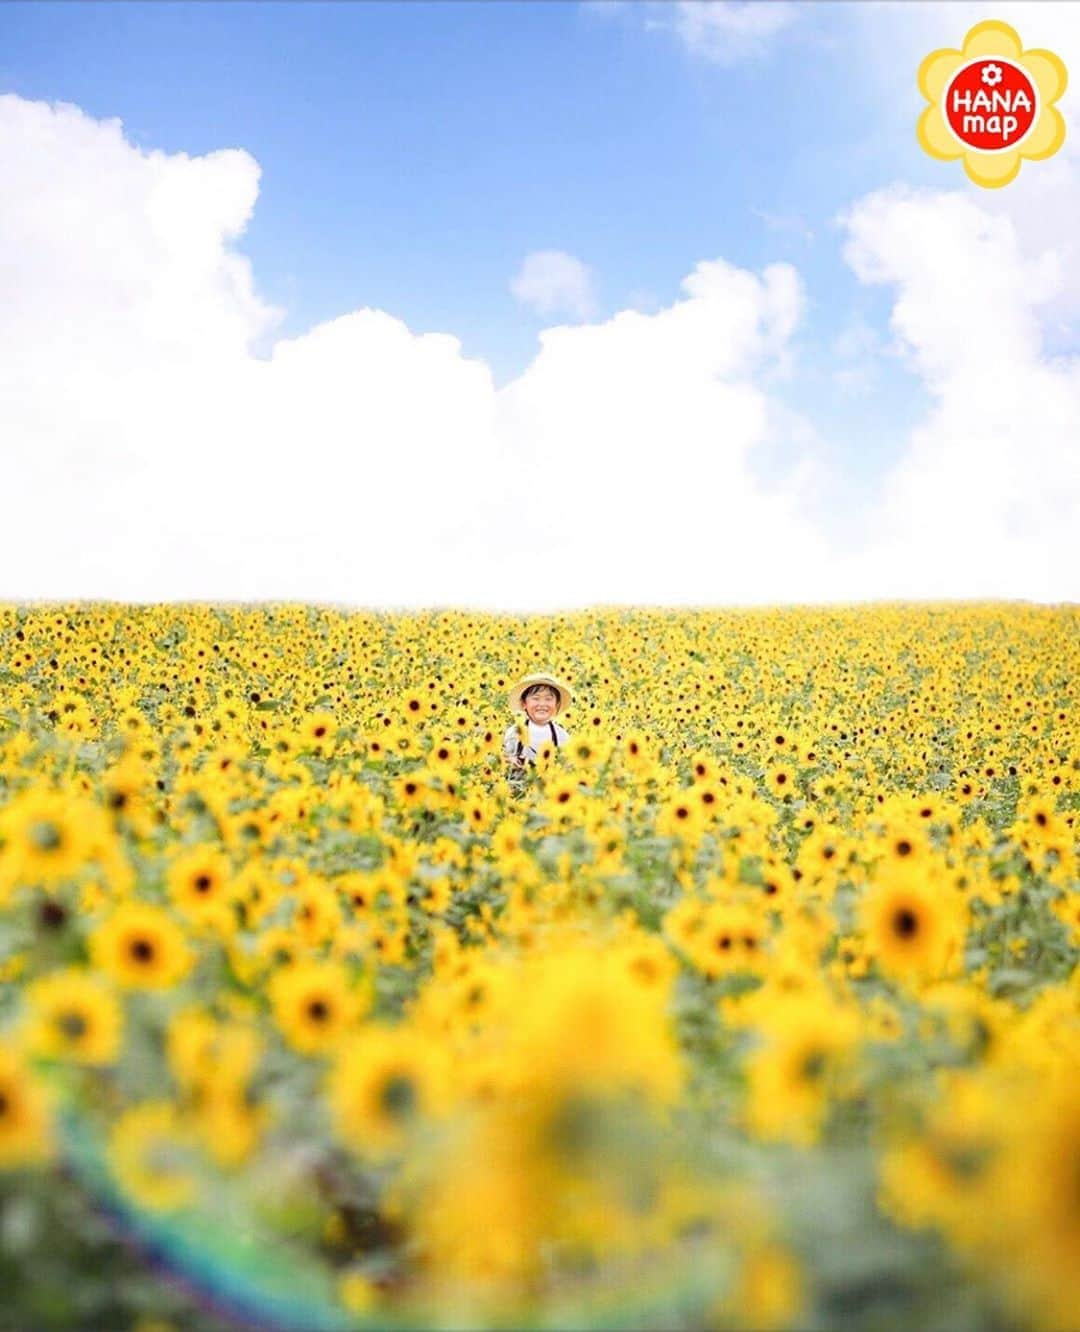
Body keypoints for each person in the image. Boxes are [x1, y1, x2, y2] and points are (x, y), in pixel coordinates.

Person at [503, 672, 572, 774]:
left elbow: (568, 768)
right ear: (524, 704)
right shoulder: (514, 733)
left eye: (548, 699)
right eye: (536, 698)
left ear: (556, 704)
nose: (542, 704)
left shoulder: (562, 736)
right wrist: (510, 761)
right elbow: (504, 759)